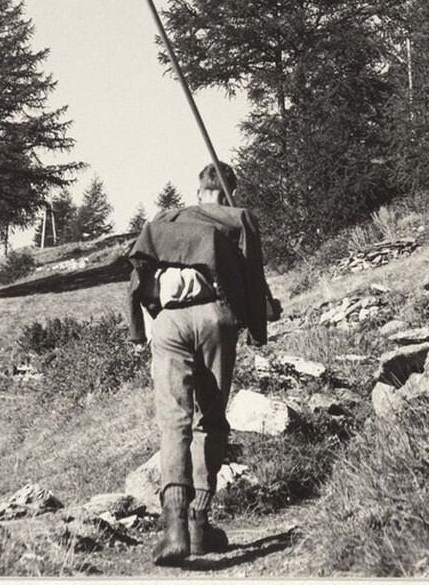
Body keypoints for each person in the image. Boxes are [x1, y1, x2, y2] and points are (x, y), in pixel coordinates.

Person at [126, 161, 274, 566]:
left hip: (168, 322)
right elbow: (253, 273)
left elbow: (139, 271)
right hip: (214, 317)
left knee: (173, 419)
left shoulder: (167, 219)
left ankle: (174, 524)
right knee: (209, 419)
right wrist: (259, 322)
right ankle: (198, 524)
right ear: (230, 191)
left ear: (198, 192)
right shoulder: (235, 220)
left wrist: (142, 324)